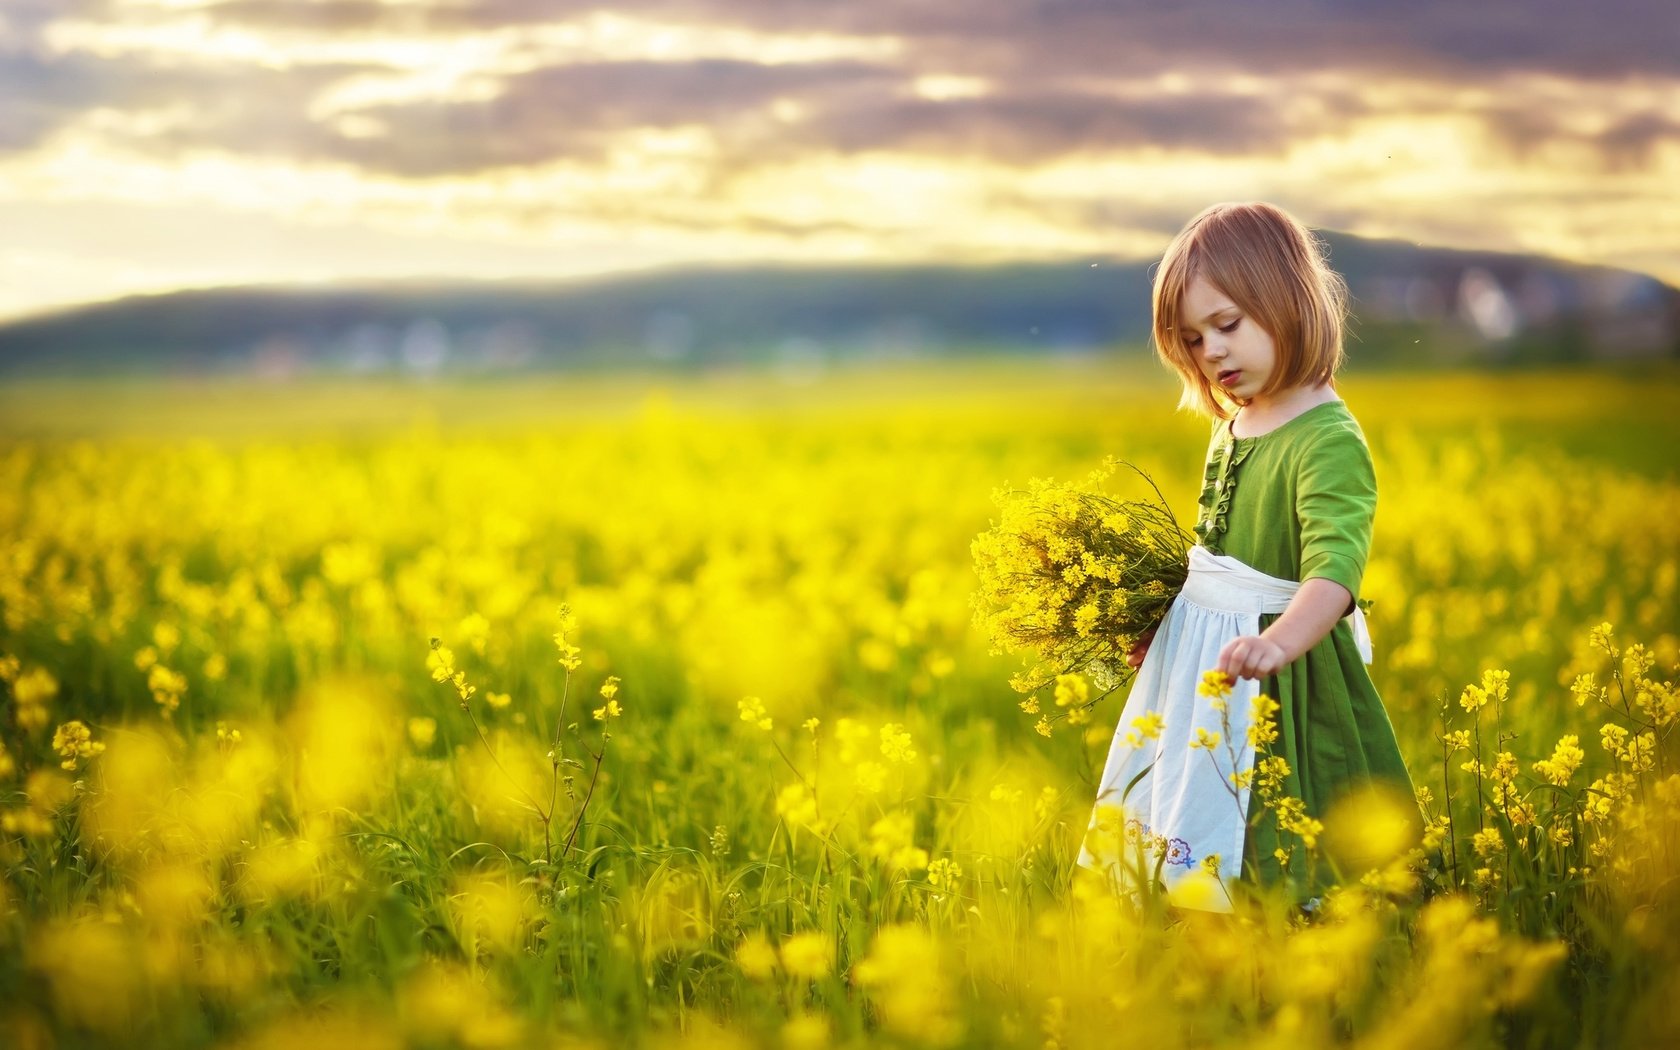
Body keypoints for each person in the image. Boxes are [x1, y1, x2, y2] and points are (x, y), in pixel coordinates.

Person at [1075, 201, 1416, 913]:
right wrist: (1160, 626)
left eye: (1226, 325)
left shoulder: (1326, 438)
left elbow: (1334, 573)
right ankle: (1199, 925)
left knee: (1273, 810)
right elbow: (1214, 552)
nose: (1213, 353)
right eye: (1194, 340)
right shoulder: (1234, 426)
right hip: (1205, 658)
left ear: (1288, 302)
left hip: (1281, 669)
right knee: (1189, 798)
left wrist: (1276, 644)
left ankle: (1288, 941)